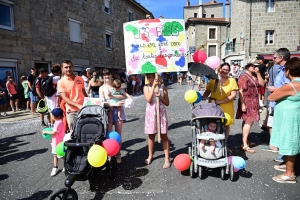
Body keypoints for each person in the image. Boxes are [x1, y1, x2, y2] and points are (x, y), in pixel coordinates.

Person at [268, 57, 300, 184]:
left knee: (289, 142)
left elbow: (271, 97)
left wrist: (277, 90)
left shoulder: (292, 85)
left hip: (289, 118)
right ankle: (288, 166)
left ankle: (289, 173)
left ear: (288, 71)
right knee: (289, 141)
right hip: (291, 116)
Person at [265, 48, 291, 162]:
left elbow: (290, 88)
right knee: (277, 127)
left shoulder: (287, 70)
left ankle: (286, 156)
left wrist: (274, 89)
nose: (273, 59)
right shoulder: (281, 69)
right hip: (277, 102)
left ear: (282, 58)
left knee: (283, 128)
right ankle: (281, 152)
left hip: (283, 103)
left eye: (275, 57)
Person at [202, 63, 239, 140]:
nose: (225, 71)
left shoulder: (232, 80)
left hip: (226, 105)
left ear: (229, 71)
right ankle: (213, 141)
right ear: (220, 69)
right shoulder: (213, 80)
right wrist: (201, 98)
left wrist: (219, 102)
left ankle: (224, 142)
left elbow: (233, 95)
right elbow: (207, 91)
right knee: (212, 123)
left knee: (226, 124)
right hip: (213, 106)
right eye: (223, 69)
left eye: (227, 70)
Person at [236, 61, 265, 153]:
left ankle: (245, 141)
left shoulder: (254, 75)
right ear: (248, 66)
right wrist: (243, 104)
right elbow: (240, 91)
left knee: (247, 121)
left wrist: (258, 73)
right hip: (247, 100)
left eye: (256, 66)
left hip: (254, 100)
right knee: (249, 121)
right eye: (253, 66)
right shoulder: (244, 76)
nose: (255, 67)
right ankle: (244, 144)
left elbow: (262, 84)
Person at [99, 69, 126, 163]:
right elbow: (102, 102)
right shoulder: (102, 88)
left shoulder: (118, 85)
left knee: (118, 134)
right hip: (108, 111)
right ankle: (110, 154)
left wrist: (113, 97)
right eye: (105, 76)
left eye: (108, 76)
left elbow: (124, 96)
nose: (107, 78)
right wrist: (114, 104)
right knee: (109, 135)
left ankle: (118, 153)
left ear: (111, 76)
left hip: (119, 111)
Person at [143, 73, 170, 169]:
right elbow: (148, 99)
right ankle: (150, 155)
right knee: (151, 135)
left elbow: (167, 103)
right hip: (151, 112)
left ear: (157, 77)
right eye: (149, 77)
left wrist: (161, 96)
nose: (151, 79)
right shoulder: (146, 87)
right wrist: (153, 86)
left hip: (161, 111)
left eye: (152, 77)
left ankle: (167, 158)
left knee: (164, 135)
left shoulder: (163, 87)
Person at [57, 60, 88, 133]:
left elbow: (84, 93)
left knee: (85, 131)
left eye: (70, 67)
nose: (68, 69)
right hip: (71, 111)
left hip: (83, 108)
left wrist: (90, 102)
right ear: (62, 69)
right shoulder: (61, 82)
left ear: (73, 67)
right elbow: (64, 98)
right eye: (66, 67)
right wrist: (78, 105)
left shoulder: (80, 79)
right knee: (74, 132)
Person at [42, 107, 65, 177]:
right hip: (56, 143)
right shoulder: (58, 122)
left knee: (61, 156)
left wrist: (45, 131)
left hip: (59, 143)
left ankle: (66, 165)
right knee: (55, 155)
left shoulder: (59, 123)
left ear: (56, 116)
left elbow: (54, 132)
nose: (51, 116)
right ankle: (55, 167)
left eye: (52, 115)